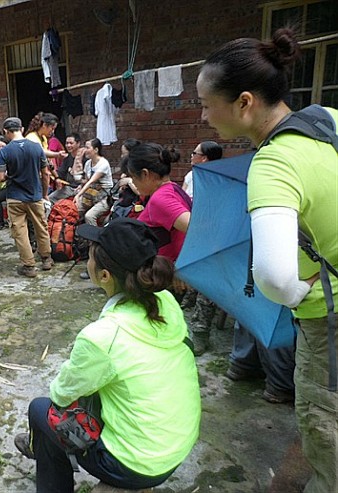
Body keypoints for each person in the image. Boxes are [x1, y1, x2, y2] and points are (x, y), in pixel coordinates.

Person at [197, 28, 337, 492]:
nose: (202, 116)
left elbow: (275, 277)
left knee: (326, 431)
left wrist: (301, 291)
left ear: (243, 103)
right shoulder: (331, 120)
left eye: (205, 104)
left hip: (329, 319)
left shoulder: (273, 164)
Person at [14, 218, 201, 492]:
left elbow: (62, 395)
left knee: (41, 411)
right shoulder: (166, 302)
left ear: (104, 276)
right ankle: (42, 449)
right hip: (179, 443)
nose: (87, 261)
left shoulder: (102, 336)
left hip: (134, 464)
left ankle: (49, 470)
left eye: (90, 256)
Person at [0, 117, 53, 278]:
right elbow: (46, 173)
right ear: (21, 129)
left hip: (15, 197)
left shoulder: (5, 151)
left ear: (7, 132)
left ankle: (29, 266)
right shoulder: (36, 148)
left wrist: (10, 175)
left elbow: (0, 177)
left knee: (20, 232)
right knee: (41, 227)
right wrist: (44, 194)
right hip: (35, 196)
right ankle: (46, 259)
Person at [183, 141, 223, 355]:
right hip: (193, 227)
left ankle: (200, 332)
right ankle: (189, 297)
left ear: (204, 158)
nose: (191, 156)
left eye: (194, 153)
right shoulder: (191, 176)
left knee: (208, 280)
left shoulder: (218, 180)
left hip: (213, 234)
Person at [126, 143, 190, 264]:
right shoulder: (174, 188)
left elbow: (196, 228)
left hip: (166, 274)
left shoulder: (160, 199)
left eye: (133, 177)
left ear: (145, 174)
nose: (133, 182)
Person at [73, 138, 114, 225]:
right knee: (74, 209)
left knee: (89, 216)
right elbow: (86, 181)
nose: (85, 150)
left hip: (104, 197)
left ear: (96, 150)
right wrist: (80, 185)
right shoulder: (88, 163)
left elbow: (91, 181)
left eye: (88, 148)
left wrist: (79, 195)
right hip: (90, 195)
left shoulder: (103, 164)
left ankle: (94, 237)